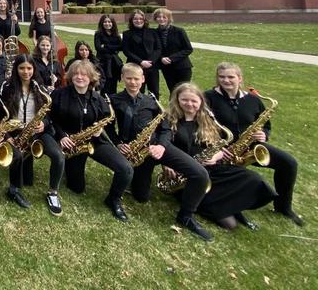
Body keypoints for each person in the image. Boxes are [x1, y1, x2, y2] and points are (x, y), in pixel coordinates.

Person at [107, 64, 212, 241]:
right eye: (129, 78)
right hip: (136, 150)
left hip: (158, 146)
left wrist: (162, 146)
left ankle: (186, 216)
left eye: (137, 79)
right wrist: (118, 144)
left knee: (200, 174)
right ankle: (135, 183)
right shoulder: (114, 100)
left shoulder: (151, 101)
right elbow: (109, 128)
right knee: (141, 197)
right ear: (123, 78)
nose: (133, 82)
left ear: (143, 80)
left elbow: (165, 128)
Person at [165, 83, 276, 230]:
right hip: (186, 174)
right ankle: (228, 208)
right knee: (230, 225)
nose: (189, 104)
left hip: (213, 167)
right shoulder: (169, 120)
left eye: (194, 101)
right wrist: (167, 164)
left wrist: (216, 157)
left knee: (254, 179)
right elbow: (163, 146)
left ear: (201, 102)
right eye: (184, 100)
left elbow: (219, 147)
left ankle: (231, 207)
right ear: (177, 100)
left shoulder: (208, 120)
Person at [205, 62, 302, 226]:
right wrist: (218, 148)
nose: (226, 81)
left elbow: (265, 124)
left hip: (251, 147)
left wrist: (264, 134)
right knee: (243, 179)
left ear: (239, 78)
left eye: (230, 77)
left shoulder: (253, 100)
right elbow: (202, 126)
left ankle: (283, 207)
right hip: (224, 150)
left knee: (288, 163)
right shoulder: (208, 98)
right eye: (221, 77)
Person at [50, 59, 133, 222]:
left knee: (126, 169)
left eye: (84, 74)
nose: (79, 77)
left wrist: (100, 129)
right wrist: (62, 136)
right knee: (76, 188)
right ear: (71, 76)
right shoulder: (59, 94)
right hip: (72, 143)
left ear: (91, 78)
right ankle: (69, 167)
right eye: (76, 74)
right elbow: (51, 119)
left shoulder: (97, 98)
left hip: (94, 141)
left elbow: (105, 120)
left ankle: (113, 199)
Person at [0, 54, 65, 215]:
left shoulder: (40, 88)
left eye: (29, 68)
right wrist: (8, 137)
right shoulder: (7, 88)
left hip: (38, 131)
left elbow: (50, 114)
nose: (26, 72)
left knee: (58, 156)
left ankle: (53, 192)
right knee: (17, 158)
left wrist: (45, 123)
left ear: (34, 69)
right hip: (17, 131)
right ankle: (14, 190)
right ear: (16, 69)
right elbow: (1, 114)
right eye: (22, 68)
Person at [122, 9, 161, 98]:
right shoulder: (127, 34)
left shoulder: (153, 32)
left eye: (140, 19)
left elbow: (158, 48)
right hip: (135, 66)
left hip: (152, 66)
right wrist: (141, 62)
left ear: (144, 20)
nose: (138, 21)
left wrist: (150, 62)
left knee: (154, 91)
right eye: (135, 19)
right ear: (132, 20)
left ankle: (155, 111)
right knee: (138, 90)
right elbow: (126, 51)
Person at [153, 8, 193, 93]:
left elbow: (188, 49)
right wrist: (161, 58)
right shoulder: (154, 33)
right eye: (159, 17)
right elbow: (155, 49)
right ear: (155, 18)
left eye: (164, 17)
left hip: (182, 66)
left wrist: (171, 58)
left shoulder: (179, 31)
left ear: (169, 18)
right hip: (166, 68)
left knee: (184, 91)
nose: (161, 19)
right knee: (173, 91)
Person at [94, 15, 123, 96]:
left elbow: (121, 47)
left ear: (113, 23)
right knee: (104, 84)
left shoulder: (116, 35)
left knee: (113, 84)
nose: (107, 23)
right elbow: (98, 48)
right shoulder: (98, 34)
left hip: (114, 63)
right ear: (102, 23)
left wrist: (106, 46)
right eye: (105, 22)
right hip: (103, 62)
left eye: (109, 22)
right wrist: (114, 48)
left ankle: (113, 102)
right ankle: (104, 101)